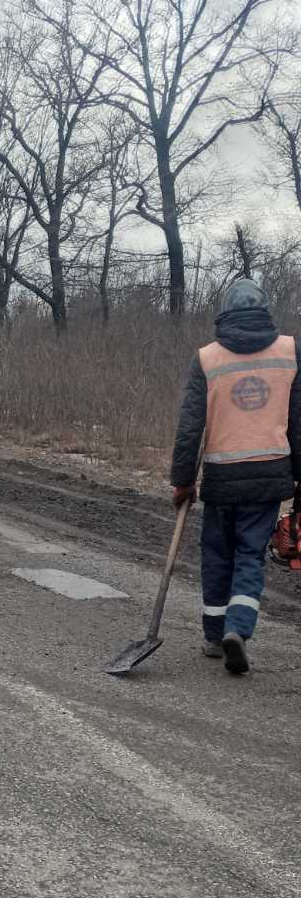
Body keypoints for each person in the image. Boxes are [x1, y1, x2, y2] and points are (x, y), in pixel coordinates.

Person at [169, 276, 301, 675]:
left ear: (223, 314)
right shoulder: (290, 351)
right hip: (268, 475)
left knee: (216, 555)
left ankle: (214, 635)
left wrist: (183, 481)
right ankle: (238, 629)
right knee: (250, 556)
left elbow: (190, 427)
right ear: (264, 311)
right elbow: (298, 421)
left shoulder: (208, 358)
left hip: (222, 476)